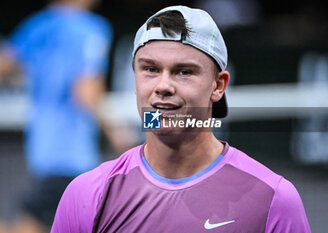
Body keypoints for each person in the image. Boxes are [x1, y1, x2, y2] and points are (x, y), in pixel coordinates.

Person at [51, 5, 311, 233]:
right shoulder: (88, 194)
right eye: (150, 69)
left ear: (218, 86)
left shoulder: (273, 199)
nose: (163, 86)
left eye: (183, 72)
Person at [0, 0, 112, 232]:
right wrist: (114, 130)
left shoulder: (37, 25)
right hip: (72, 154)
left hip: (41, 150)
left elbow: (5, 65)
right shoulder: (92, 28)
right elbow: (86, 92)